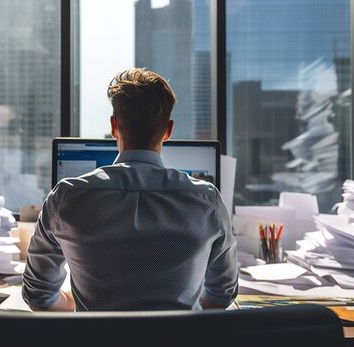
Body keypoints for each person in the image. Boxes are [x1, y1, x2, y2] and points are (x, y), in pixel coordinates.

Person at [22, 68, 238, 311]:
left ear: (114, 126)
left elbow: (38, 296)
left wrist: (78, 307)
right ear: (168, 130)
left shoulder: (65, 198)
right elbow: (222, 295)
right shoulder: (206, 200)